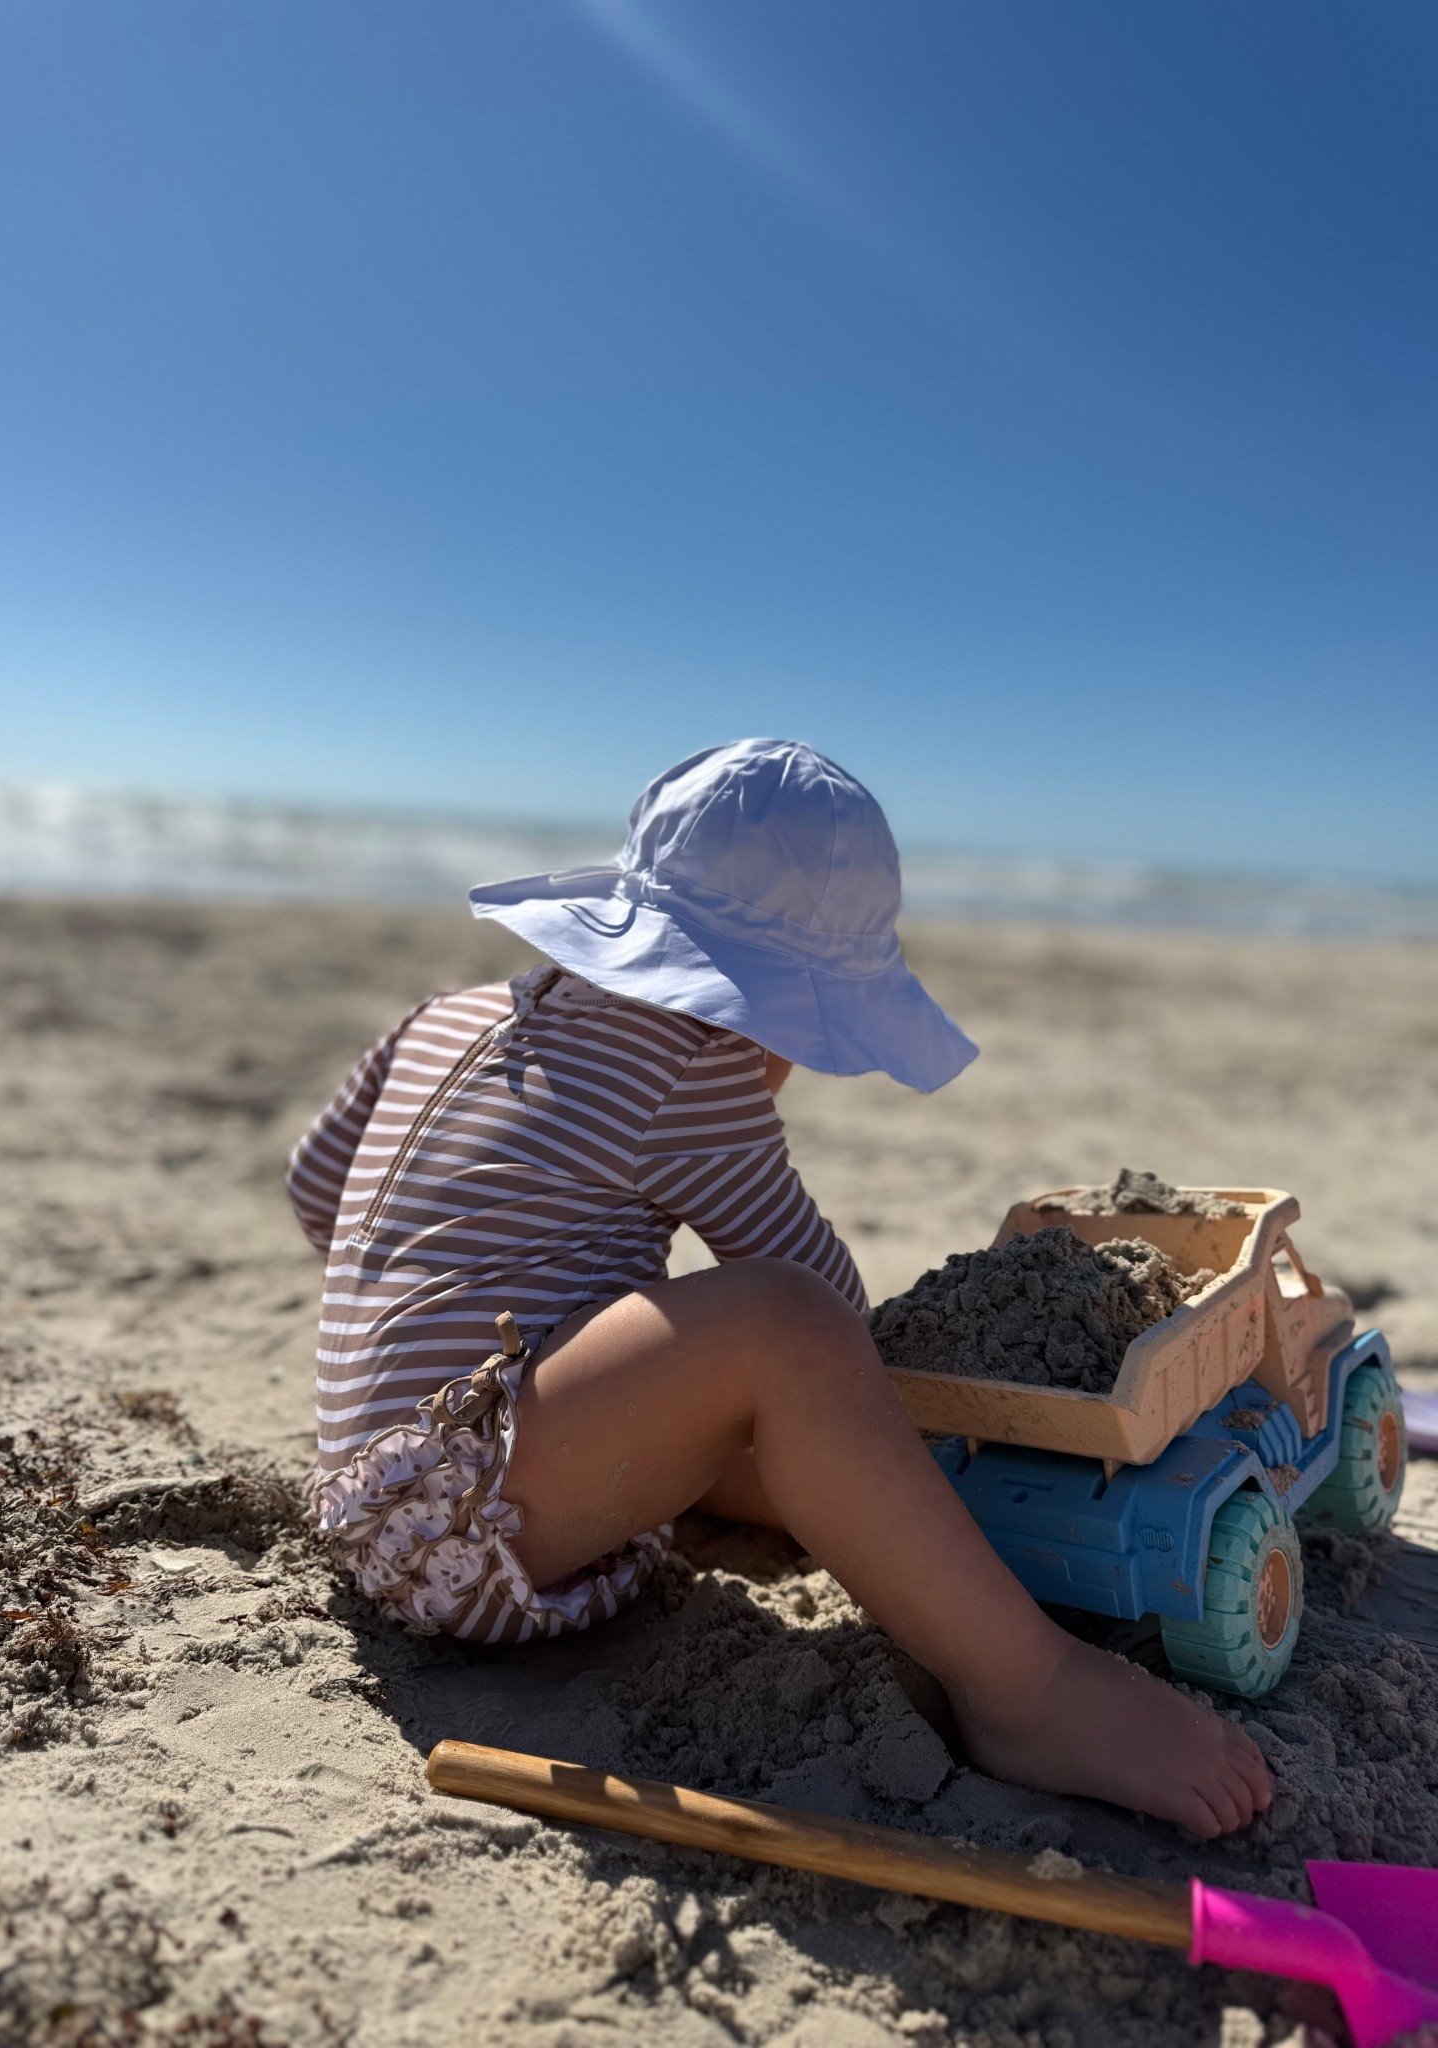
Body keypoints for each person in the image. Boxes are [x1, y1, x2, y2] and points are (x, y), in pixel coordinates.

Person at [287, 738, 1272, 1837]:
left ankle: (879, 1526)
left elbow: (317, 1195)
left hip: (374, 1487)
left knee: (739, 1398)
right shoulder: (694, 1066)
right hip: (473, 1533)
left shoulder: (442, 1016)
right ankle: (1031, 1689)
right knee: (782, 1333)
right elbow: (825, 1305)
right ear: (763, 1011)